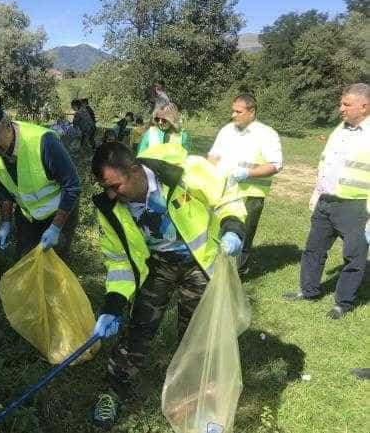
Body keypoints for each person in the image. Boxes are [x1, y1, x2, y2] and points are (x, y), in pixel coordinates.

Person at [89, 142, 246, 428]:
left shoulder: (179, 173)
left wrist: (233, 227)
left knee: (197, 335)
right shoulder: (110, 208)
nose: (112, 194)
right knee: (138, 329)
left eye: (116, 185)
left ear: (135, 171)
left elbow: (226, 195)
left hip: (200, 263)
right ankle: (114, 390)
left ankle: (202, 405)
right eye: (106, 188)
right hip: (157, 266)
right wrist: (113, 305)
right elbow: (119, 262)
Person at [283, 83, 370, 320]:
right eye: (341, 103)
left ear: (364, 106)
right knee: (314, 249)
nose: (340, 108)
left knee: (354, 256)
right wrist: (316, 194)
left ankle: (343, 302)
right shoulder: (340, 129)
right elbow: (326, 164)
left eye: (346, 104)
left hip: (355, 206)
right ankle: (309, 290)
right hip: (326, 202)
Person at [0, 104, 81, 260]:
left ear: (6, 124)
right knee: (24, 262)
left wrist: (55, 228)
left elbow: (72, 186)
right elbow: (4, 190)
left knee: (53, 267)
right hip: (28, 216)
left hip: (59, 214)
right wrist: (5, 223)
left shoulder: (43, 142)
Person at [208, 94, 283, 274]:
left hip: (250, 195)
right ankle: (214, 269)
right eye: (233, 110)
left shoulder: (266, 134)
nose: (233, 115)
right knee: (219, 231)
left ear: (252, 112)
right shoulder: (226, 131)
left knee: (242, 236)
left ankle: (237, 274)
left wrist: (247, 173)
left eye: (238, 111)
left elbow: (276, 165)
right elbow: (213, 156)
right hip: (223, 192)